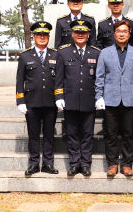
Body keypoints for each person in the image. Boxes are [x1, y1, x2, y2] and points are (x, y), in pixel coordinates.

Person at [94, 20, 133, 177]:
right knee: (110, 134)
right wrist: (99, 96)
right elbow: (100, 76)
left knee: (128, 134)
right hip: (110, 99)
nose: (122, 34)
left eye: (125, 31)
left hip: (130, 100)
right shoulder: (105, 52)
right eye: (119, 31)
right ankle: (112, 164)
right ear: (114, 33)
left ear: (129, 34)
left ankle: (127, 164)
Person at [54, 19, 100, 177]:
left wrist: (100, 97)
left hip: (89, 100)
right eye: (77, 32)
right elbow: (59, 77)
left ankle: (86, 164)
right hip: (70, 100)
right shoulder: (63, 52)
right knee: (72, 134)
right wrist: (59, 96)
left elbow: (100, 78)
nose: (80, 35)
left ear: (88, 34)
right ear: (72, 34)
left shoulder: (96, 52)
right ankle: (74, 164)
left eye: (84, 32)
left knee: (87, 134)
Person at [15, 21, 59, 176]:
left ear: (48, 37)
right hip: (31, 103)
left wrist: (60, 97)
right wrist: (20, 101)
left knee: (49, 135)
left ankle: (48, 163)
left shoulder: (55, 54)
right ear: (33, 36)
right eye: (39, 35)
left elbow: (59, 78)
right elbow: (20, 80)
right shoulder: (25, 56)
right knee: (33, 135)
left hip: (50, 102)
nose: (42, 37)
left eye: (45, 35)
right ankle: (33, 164)